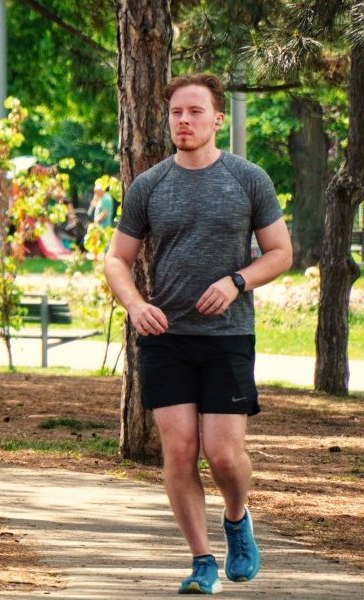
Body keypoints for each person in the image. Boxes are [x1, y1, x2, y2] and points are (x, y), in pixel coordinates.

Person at [104, 73, 292, 595]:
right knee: (180, 452)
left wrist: (237, 282)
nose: (183, 121)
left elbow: (281, 253)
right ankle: (201, 560)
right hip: (166, 336)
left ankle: (237, 519)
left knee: (224, 454)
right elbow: (117, 260)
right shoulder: (149, 185)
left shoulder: (249, 178)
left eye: (193, 112)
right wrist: (137, 305)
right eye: (175, 114)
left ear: (216, 119)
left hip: (228, 336)